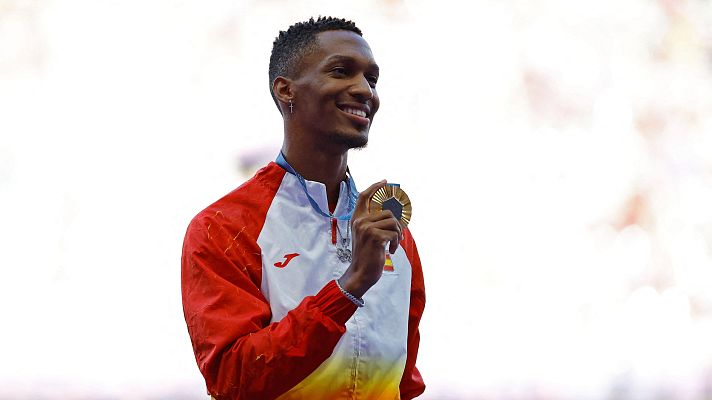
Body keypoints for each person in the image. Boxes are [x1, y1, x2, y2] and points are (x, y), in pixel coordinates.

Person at [181, 16, 425, 400]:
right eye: (341, 71)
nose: (364, 90)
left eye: (372, 79)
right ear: (286, 90)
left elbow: (404, 384)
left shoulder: (394, 235)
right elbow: (233, 378)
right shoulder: (223, 228)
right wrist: (350, 286)